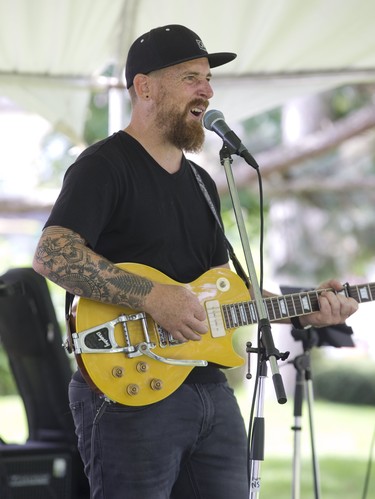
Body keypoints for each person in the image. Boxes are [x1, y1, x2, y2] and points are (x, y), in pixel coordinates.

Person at [33, 24, 359, 499]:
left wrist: (303, 307)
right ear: (145, 87)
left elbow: (227, 289)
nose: (207, 89)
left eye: (207, 78)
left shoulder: (203, 184)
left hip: (207, 387)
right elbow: (51, 253)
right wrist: (152, 297)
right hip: (130, 387)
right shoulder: (103, 165)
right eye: (190, 77)